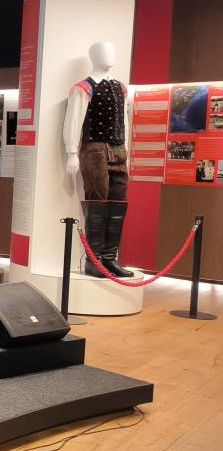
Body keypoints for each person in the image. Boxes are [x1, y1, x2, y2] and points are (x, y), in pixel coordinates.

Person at [62, 41, 133, 278]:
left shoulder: (120, 88)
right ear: (93, 56)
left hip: (118, 149)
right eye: (103, 52)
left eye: (112, 51)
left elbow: (124, 121)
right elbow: (74, 120)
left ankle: (109, 258)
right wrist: (72, 152)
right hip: (94, 149)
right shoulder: (83, 88)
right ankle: (94, 261)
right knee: (97, 201)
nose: (109, 55)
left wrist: (126, 148)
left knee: (118, 201)